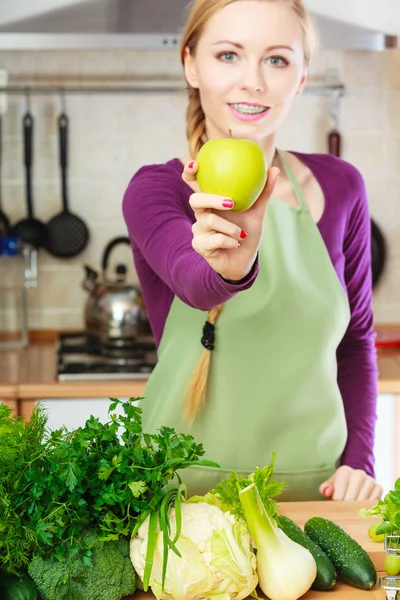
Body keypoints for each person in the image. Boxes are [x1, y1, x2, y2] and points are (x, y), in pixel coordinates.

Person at [122, 0, 382, 502]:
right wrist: (231, 267)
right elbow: (193, 281)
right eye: (228, 56)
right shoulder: (156, 191)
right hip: (183, 504)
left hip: (317, 497)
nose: (253, 82)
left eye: (277, 60)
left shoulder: (340, 185)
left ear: (302, 76)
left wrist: (359, 461)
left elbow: (356, 341)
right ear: (190, 64)